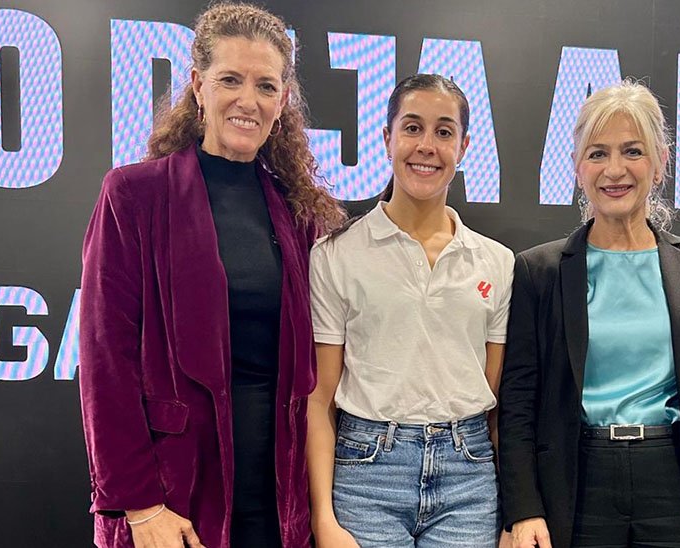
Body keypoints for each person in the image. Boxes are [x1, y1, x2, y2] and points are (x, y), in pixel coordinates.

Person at [78, 3, 344, 547]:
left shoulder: (297, 213)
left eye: (266, 86)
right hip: (173, 497)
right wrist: (140, 503)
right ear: (198, 86)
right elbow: (106, 361)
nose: (248, 100)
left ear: (283, 101)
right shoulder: (134, 196)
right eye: (230, 80)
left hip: (275, 498)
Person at [498, 80, 680, 548]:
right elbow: (519, 405)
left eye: (632, 151)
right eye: (597, 153)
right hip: (577, 486)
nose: (614, 170)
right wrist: (524, 509)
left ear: (659, 163)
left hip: (676, 482)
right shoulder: (539, 270)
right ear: (578, 167)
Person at [307, 74, 514, 548]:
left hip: (470, 479)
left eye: (444, 132)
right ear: (387, 138)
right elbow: (319, 400)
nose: (427, 146)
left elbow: (497, 405)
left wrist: (510, 517)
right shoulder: (336, 255)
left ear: (464, 146)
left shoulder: (497, 263)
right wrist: (324, 519)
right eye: (412, 128)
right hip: (366, 477)